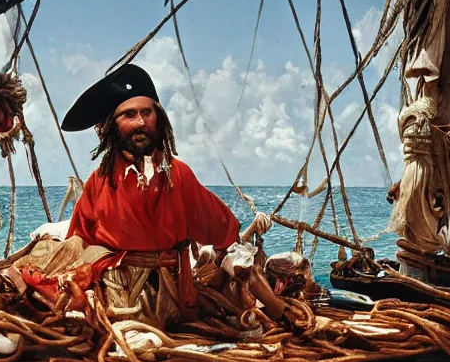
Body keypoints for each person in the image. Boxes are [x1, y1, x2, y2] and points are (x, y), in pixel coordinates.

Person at [59, 63, 283, 324]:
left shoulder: (179, 176)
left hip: (173, 297)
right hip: (116, 300)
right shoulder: (98, 184)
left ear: (159, 119)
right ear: (112, 126)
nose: (141, 122)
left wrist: (272, 304)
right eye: (129, 115)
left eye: (147, 112)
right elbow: (78, 245)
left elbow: (224, 233)